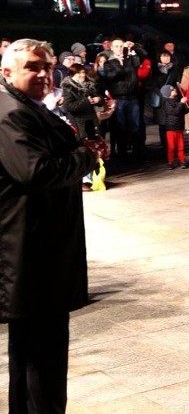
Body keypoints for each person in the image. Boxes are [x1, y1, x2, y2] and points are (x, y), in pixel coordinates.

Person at [0, 38, 108, 413]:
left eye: (47, 66)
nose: (44, 74)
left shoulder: (26, 105)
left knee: (34, 362)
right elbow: (35, 171)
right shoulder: (10, 112)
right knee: (41, 364)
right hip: (32, 257)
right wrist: (83, 156)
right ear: (7, 72)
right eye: (33, 66)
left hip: (40, 255)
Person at [161, 84, 189, 169]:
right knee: (171, 147)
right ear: (169, 93)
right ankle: (170, 162)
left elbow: (183, 111)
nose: (175, 90)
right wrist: (181, 103)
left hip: (179, 127)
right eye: (173, 90)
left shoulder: (177, 100)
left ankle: (182, 160)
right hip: (171, 128)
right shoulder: (167, 102)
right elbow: (175, 111)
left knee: (181, 146)